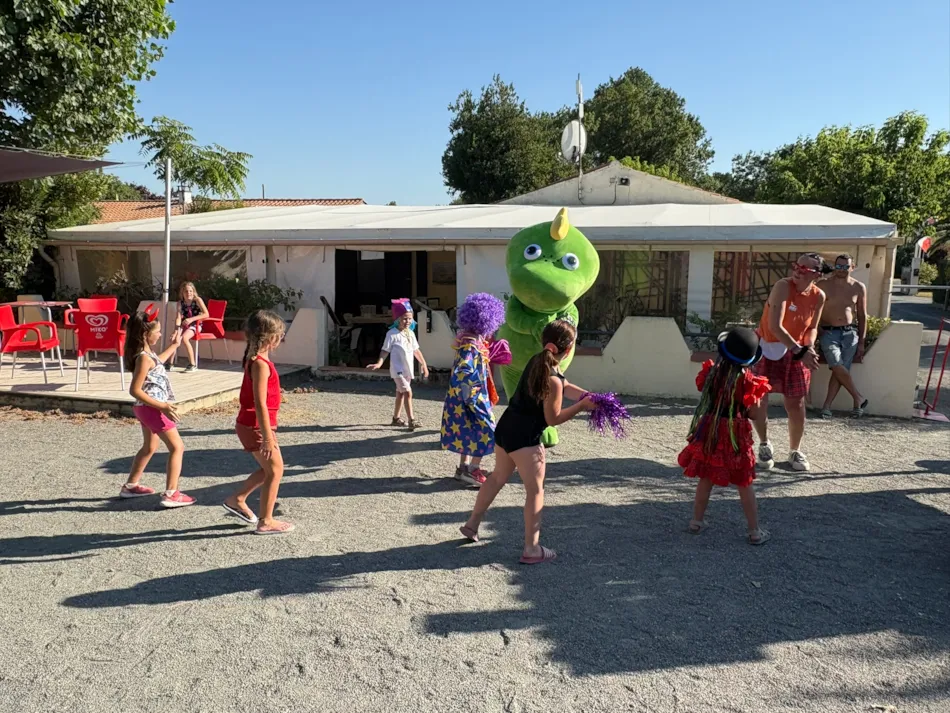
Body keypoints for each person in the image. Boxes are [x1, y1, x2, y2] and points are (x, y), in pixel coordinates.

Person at [459, 320, 595, 565]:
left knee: (497, 477)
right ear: (568, 348)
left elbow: (565, 385)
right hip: (525, 438)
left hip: (506, 429)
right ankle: (532, 549)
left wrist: (588, 396)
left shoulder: (539, 361)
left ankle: (471, 525)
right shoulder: (552, 378)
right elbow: (552, 419)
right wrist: (582, 406)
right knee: (535, 491)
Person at [679, 328, 772, 545]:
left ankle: (696, 521)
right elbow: (754, 414)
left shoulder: (711, 374)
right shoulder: (749, 382)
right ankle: (754, 531)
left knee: (706, 476)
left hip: (710, 427)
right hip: (735, 432)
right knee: (744, 481)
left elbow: (705, 393)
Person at [751, 253, 826, 473]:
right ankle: (764, 444)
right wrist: (800, 350)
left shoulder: (818, 296)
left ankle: (795, 450)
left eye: (805, 268)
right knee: (758, 399)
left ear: (817, 275)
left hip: (796, 350)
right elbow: (775, 326)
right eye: (797, 265)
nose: (798, 270)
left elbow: (812, 328)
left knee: (796, 403)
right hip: (768, 347)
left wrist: (809, 347)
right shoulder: (783, 286)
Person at [222, 310, 293, 535]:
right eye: (280, 334)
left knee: (269, 469)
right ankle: (266, 521)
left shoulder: (256, 359)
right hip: (255, 425)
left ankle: (238, 499)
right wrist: (268, 438)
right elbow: (259, 403)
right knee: (275, 471)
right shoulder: (260, 364)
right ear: (270, 337)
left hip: (254, 424)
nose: (281, 338)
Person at [120, 311, 196, 508]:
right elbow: (135, 390)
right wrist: (163, 406)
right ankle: (172, 493)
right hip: (152, 409)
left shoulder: (148, 355)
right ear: (146, 334)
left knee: (149, 447)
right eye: (158, 331)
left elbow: (157, 362)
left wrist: (175, 345)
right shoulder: (143, 358)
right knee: (177, 447)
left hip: (145, 409)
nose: (160, 334)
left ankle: (130, 486)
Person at [441, 293, 510, 487]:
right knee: (487, 429)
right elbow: (465, 368)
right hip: (472, 397)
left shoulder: (468, 338)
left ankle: (463, 468)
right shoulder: (471, 344)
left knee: (467, 429)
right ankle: (472, 469)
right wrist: (472, 394)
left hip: (463, 397)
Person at [817, 254, 869, 418]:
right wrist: (816, 328)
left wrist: (861, 342)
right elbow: (811, 309)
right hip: (828, 332)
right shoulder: (822, 285)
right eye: (838, 266)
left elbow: (862, 315)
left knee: (840, 370)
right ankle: (858, 398)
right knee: (836, 363)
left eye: (845, 267)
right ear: (834, 266)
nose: (841, 270)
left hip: (850, 333)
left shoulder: (858, 287)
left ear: (852, 267)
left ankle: (827, 407)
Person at [367, 299, 429, 430]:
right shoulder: (391, 334)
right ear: (397, 319)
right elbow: (385, 350)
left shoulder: (410, 333)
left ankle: (396, 418)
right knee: (408, 392)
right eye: (405, 318)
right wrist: (379, 363)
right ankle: (412, 420)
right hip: (398, 370)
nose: (408, 321)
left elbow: (416, 350)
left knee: (400, 394)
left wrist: (423, 364)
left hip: (408, 370)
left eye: (410, 318)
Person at [174, 281, 209, 372]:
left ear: (194, 292)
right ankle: (169, 363)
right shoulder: (180, 303)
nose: (188, 293)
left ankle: (192, 364)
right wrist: (176, 330)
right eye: (186, 291)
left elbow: (206, 314)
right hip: (185, 324)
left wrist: (191, 319)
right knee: (174, 338)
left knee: (184, 338)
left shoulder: (197, 300)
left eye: (190, 291)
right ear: (182, 293)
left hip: (196, 325)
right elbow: (178, 317)